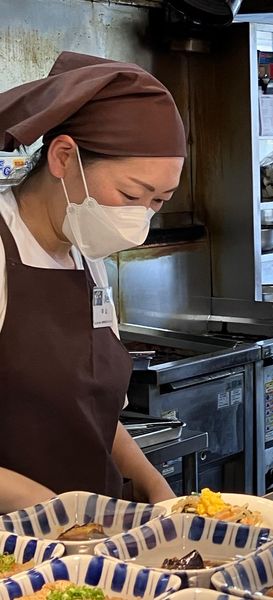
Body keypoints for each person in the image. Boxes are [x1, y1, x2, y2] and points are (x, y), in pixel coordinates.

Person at [0, 51, 186, 512]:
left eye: (158, 201)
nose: (139, 217)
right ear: (64, 157)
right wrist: (53, 512)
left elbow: (89, 413)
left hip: (95, 541)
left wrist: (149, 481)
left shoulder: (84, 248)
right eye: (130, 194)